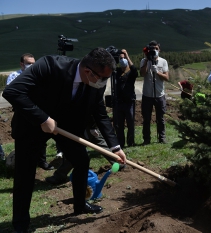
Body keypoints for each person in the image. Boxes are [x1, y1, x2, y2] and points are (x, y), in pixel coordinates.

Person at [3, 47, 127, 232]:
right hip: (31, 124)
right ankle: (21, 224)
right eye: (102, 79)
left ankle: (80, 205)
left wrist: (115, 147)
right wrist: (43, 118)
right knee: (25, 174)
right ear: (87, 71)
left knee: (82, 160)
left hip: (67, 128)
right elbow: (12, 92)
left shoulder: (94, 85)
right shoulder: (49, 65)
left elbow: (100, 114)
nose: (103, 83)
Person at [6, 53, 54, 170]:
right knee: (22, 138)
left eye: (33, 63)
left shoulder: (38, 75)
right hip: (21, 113)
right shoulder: (14, 76)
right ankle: (22, 164)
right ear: (22, 64)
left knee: (41, 137)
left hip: (36, 111)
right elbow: (12, 93)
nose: (32, 65)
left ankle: (42, 161)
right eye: (29, 63)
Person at [45, 116, 116, 185]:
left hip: (84, 124)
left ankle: (60, 176)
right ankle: (119, 162)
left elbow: (91, 107)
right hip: (85, 123)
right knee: (99, 142)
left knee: (73, 152)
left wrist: (92, 126)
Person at [140, 40, 169, 144]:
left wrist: (158, 72)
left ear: (159, 49)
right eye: (152, 49)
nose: (155, 51)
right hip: (147, 94)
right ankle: (146, 139)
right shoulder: (144, 60)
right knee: (146, 118)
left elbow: (166, 77)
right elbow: (142, 74)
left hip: (159, 94)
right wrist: (147, 61)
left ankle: (162, 138)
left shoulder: (163, 61)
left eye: (156, 49)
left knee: (160, 118)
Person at [112, 49, 139, 148]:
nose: (122, 60)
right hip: (119, 102)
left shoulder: (131, 73)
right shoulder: (117, 72)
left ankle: (131, 142)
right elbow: (111, 68)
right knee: (119, 125)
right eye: (121, 58)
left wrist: (127, 55)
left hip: (129, 102)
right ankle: (121, 143)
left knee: (130, 123)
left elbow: (135, 69)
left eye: (124, 58)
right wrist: (116, 58)